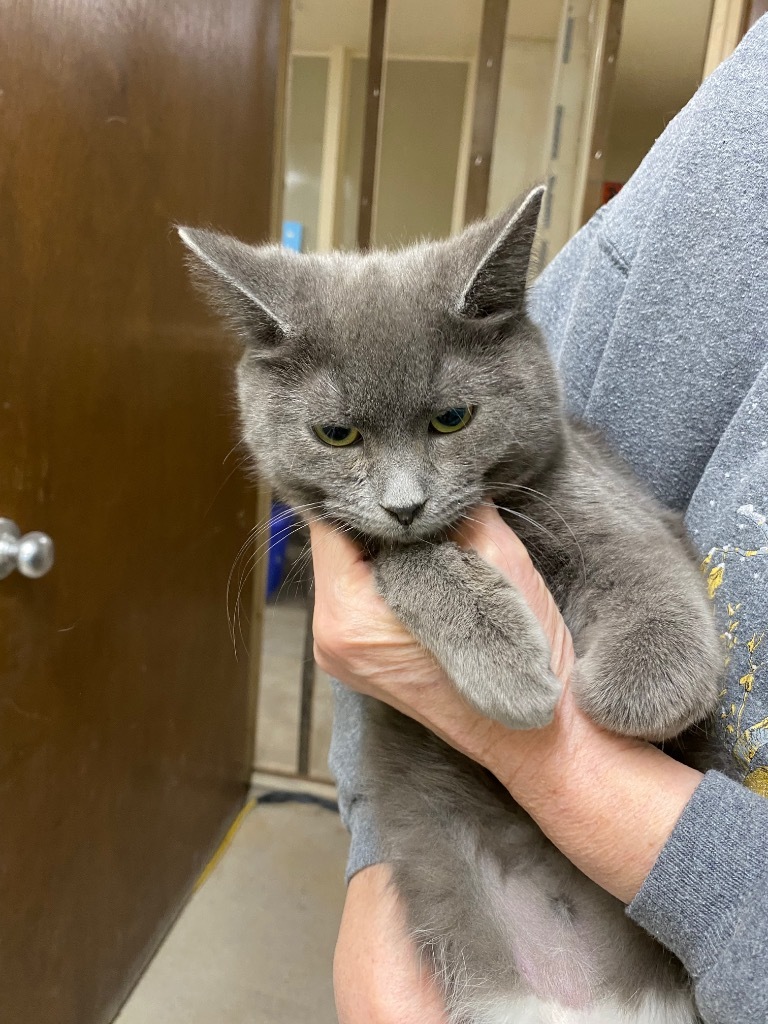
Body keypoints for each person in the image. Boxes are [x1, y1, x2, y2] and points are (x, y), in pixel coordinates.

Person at [311, 17, 768, 1024]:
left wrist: (553, 759)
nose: (401, 490)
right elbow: (489, 431)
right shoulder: (746, 119)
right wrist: (378, 861)